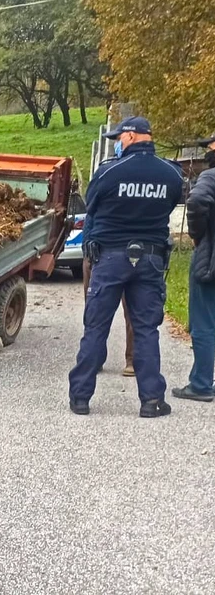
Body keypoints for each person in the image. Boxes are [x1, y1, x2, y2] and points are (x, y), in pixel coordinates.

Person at [67, 116, 183, 418]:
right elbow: (171, 205)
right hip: (151, 259)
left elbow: (91, 205)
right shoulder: (171, 174)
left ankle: (80, 398)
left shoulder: (109, 172)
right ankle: (151, 401)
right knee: (146, 329)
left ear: (131, 137)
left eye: (119, 137)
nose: (117, 142)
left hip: (110, 258)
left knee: (96, 326)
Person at [82, 155, 135, 378]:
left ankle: (132, 358)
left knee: (132, 310)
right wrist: (87, 250)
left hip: (125, 253)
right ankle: (95, 357)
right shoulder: (101, 186)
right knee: (94, 311)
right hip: (96, 252)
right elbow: (89, 218)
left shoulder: (130, 192)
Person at [173, 134, 215, 402]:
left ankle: (201, 384)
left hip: (210, 260)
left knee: (203, 322)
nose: (208, 149)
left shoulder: (210, 177)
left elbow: (197, 202)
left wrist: (198, 236)